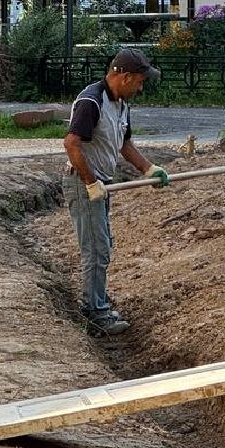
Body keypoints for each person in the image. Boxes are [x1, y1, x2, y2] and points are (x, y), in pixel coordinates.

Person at [63, 47, 168, 336]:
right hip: (84, 183)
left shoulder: (121, 105)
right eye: (139, 81)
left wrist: (149, 169)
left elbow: (125, 145)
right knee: (96, 249)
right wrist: (90, 182)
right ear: (123, 76)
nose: (141, 86)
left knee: (103, 246)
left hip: (101, 184)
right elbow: (71, 143)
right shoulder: (91, 101)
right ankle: (95, 313)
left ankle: (97, 302)